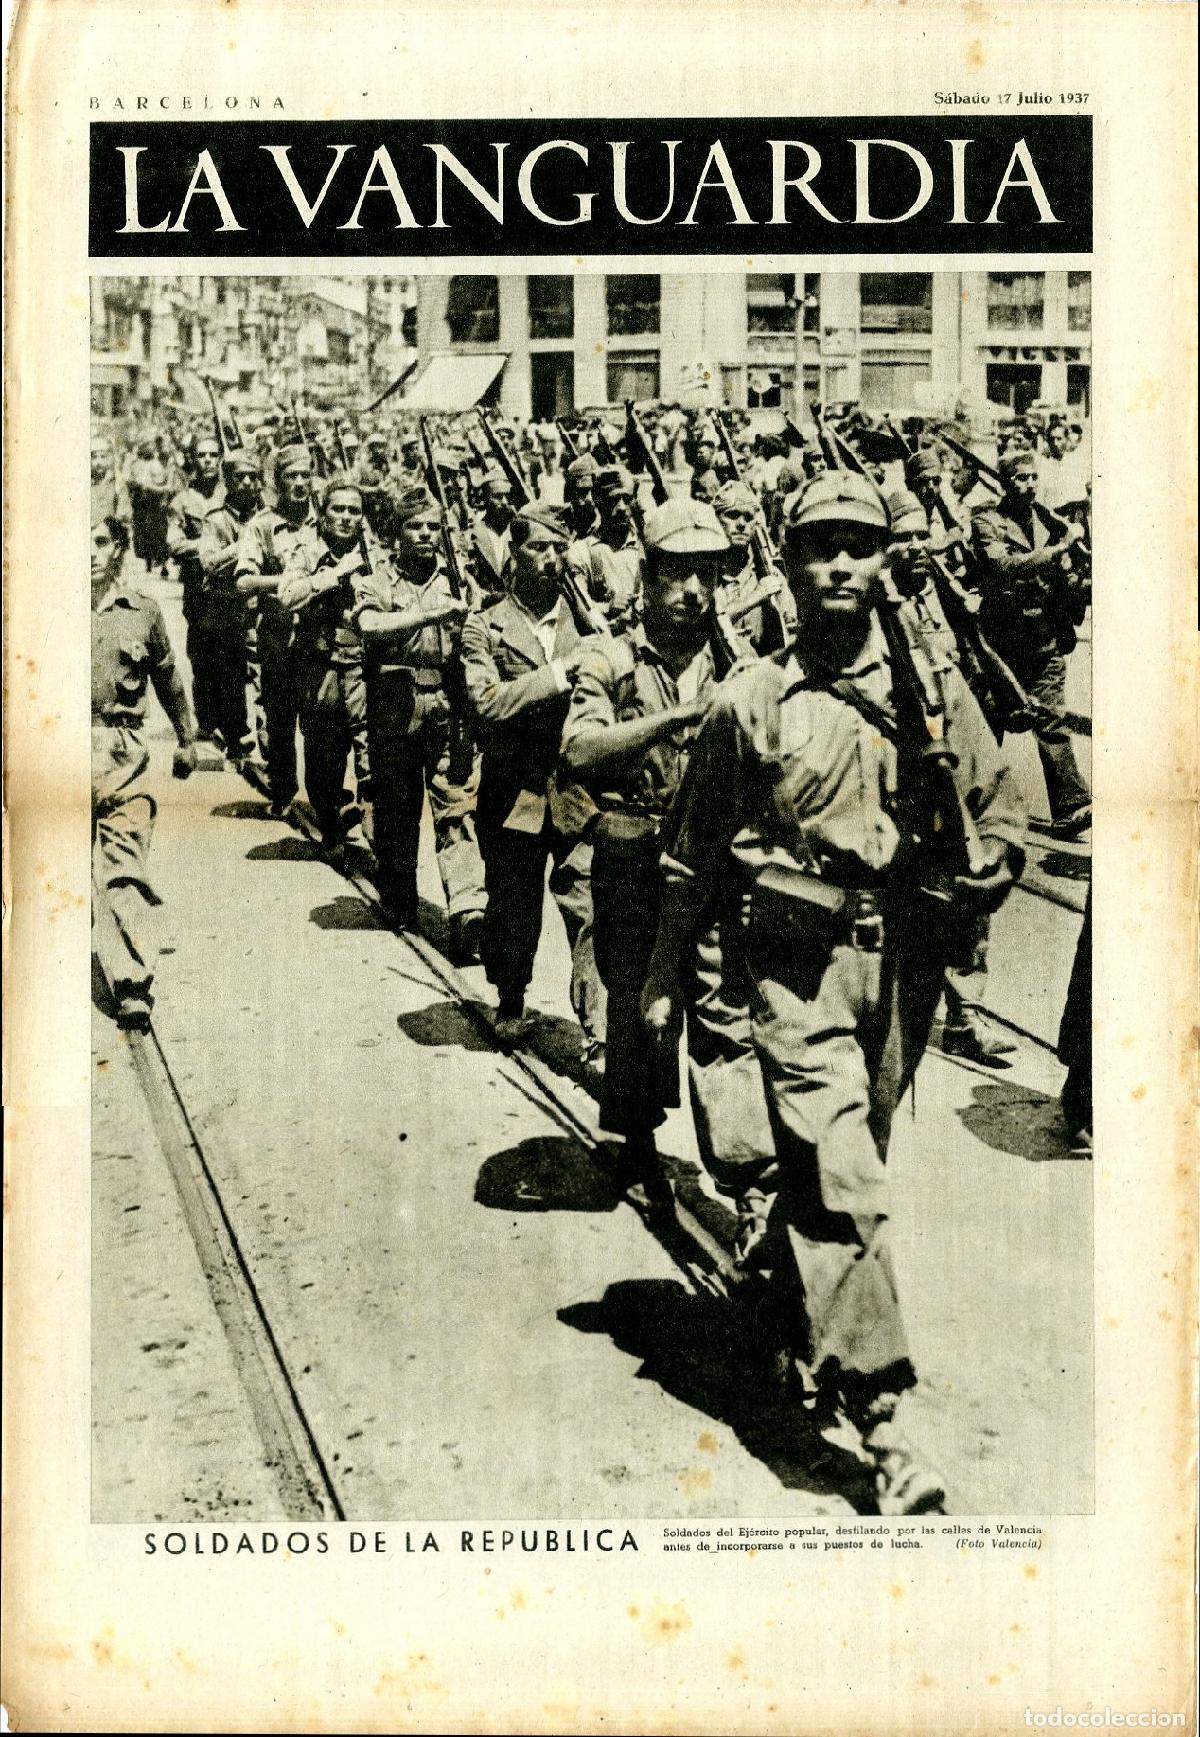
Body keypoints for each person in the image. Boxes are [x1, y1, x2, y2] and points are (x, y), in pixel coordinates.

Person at [640, 471, 1027, 1514]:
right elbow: (692, 860)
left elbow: (1000, 816)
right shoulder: (751, 702)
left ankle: (772, 1314)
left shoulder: (933, 694)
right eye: (822, 547)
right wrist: (664, 986)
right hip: (789, 970)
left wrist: (989, 866)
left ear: (886, 562)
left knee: (829, 1181)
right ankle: (888, 1424)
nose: (844, 564)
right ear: (789, 564)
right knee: (845, 1177)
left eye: (862, 546)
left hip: (897, 970)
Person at [560, 496, 726, 1191]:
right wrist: (672, 719)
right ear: (646, 579)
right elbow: (579, 745)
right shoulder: (611, 657)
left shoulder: (738, 660)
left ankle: (746, 1180)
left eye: (707, 576)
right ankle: (636, 1138)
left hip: (718, 858)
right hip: (638, 856)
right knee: (636, 1010)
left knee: (725, 1017)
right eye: (676, 575)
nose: (692, 592)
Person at [461, 504, 607, 1052]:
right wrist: (557, 675)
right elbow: (487, 701)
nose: (550, 559)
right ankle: (511, 996)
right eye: (536, 548)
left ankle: (599, 1024)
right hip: (516, 788)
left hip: (574, 786)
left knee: (589, 903)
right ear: (512, 555)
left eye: (556, 549)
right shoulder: (484, 625)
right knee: (514, 900)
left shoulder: (587, 620)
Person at [886, 489, 1015, 1069]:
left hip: (954, 735)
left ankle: (965, 1014)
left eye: (920, 536)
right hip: (899, 755)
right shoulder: (874, 607)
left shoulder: (937, 592)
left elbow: (969, 655)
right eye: (901, 539)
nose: (914, 548)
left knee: (970, 866)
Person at [349, 483, 486, 952]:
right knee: (397, 813)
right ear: (397, 532)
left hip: (448, 705)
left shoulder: (458, 578)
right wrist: (430, 614)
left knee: (457, 808)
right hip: (394, 707)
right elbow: (368, 626)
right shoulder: (377, 579)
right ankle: (399, 900)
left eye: (433, 526)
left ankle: (468, 910)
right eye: (416, 526)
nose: (426, 534)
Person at [91, 513, 199, 1030]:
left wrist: (186, 737)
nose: (88, 552)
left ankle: (132, 981)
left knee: (126, 864)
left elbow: (167, 678)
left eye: (99, 542)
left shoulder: (142, 612)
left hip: (121, 751)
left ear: (118, 549)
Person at [972, 450, 1092, 838]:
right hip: (1000, 647)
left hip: (1044, 640)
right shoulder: (985, 520)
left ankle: (1071, 806)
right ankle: (967, 802)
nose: (1027, 485)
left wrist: (1083, 580)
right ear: (1004, 483)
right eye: (1019, 479)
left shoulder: (1049, 522)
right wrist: (1058, 550)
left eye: (1032, 478)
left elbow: (1067, 579)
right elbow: (1001, 567)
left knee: (1051, 721)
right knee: (990, 724)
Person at [276, 477, 375, 852]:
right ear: (322, 512)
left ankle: (374, 829)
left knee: (371, 748)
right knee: (324, 753)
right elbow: (287, 595)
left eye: (354, 511)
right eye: (338, 509)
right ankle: (331, 820)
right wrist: (334, 575)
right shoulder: (305, 550)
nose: (347, 518)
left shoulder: (374, 551)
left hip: (364, 663)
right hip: (321, 667)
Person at [235, 443, 316, 815]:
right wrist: (288, 581)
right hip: (279, 639)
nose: (300, 483)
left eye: (305, 475)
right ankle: (284, 792)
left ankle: (323, 800)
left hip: (321, 638)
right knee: (281, 720)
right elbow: (245, 581)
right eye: (291, 476)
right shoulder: (262, 525)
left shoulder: (327, 518)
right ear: (277, 482)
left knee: (321, 722)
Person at [194, 453, 261, 763]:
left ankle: (266, 738)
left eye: (252, 476)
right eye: (239, 477)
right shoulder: (216, 518)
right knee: (230, 678)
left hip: (262, 609)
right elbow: (209, 563)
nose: (247, 482)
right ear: (227, 481)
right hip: (227, 610)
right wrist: (246, 542)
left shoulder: (268, 515)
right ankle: (234, 736)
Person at [167, 432, 226, 740]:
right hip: (198, 590)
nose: (207, 460)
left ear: (220, 458)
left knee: (232, 659)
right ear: (193, 459)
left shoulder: (231, 494)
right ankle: (205, 721)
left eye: (213, 455)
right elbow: (173, 544)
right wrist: (200, 546)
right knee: (202, 657)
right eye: (201, 455)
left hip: (230, 590)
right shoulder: (182, 501)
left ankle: (233, 724)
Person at [564, 464, 644, 626]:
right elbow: (578, 610)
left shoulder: (647, 549)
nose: (622, 507)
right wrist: (607, 608)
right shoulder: (580, 552)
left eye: (627, 499)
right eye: (614, 499)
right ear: (599, 501)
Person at [128, 436, 172, 575]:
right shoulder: (145, 464)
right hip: (146, 502)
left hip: (159, 502)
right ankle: (149, 561)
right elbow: (137, 482)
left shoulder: (166, 463)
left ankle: (163, 563)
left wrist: (157, 489)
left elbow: (168, 485)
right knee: (147, 531)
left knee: (161, 532)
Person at [470, 469, 515, 600]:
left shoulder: (519, 533)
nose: (505, 502)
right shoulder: (472, 534)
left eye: (508, 497)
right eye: (498, 497)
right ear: (485, 499)